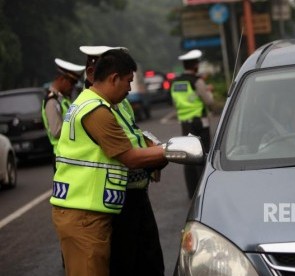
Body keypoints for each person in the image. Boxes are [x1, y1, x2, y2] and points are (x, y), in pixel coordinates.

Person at [50, 49, 168, 276]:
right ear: (113, 78)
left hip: (89, 208)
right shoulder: (97, 111)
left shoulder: (93, 102)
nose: (130, 89)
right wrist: (169, 151)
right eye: (128, 82)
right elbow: (130, 158)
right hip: (84, 213)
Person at [170, 49, 214, 199]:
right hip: (199, 123)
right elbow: (209, 101)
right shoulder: (197, 81)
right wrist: (209, 92)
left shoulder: (175, 82)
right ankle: (205, 190)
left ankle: (192, 192)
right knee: (203, 154)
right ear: (195, 65)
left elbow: (176, 102)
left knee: (188, 156)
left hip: (185, 123)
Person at [41, 58, 85, 172]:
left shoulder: (63, 100)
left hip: (69, 154)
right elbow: (56, 132)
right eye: (72, 82)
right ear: (61, 79)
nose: (73, 87)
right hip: (61, 156)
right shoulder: (52, 101)